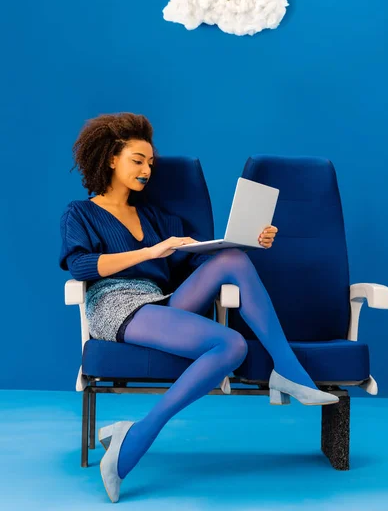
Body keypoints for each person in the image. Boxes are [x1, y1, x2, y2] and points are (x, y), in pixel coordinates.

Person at [60, 112, 338, 503]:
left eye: (150, 163)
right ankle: (138, 435)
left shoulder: (155, 217)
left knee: (234, 261)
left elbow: (202, 260)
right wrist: (149, 251)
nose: (146, 170)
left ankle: (286, 366)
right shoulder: (81, 212)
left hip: (161, 301)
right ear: (110, 159)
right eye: (137, 160)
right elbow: (81, 265)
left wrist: (253, 238)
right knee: (231, 346)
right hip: (115, 302)